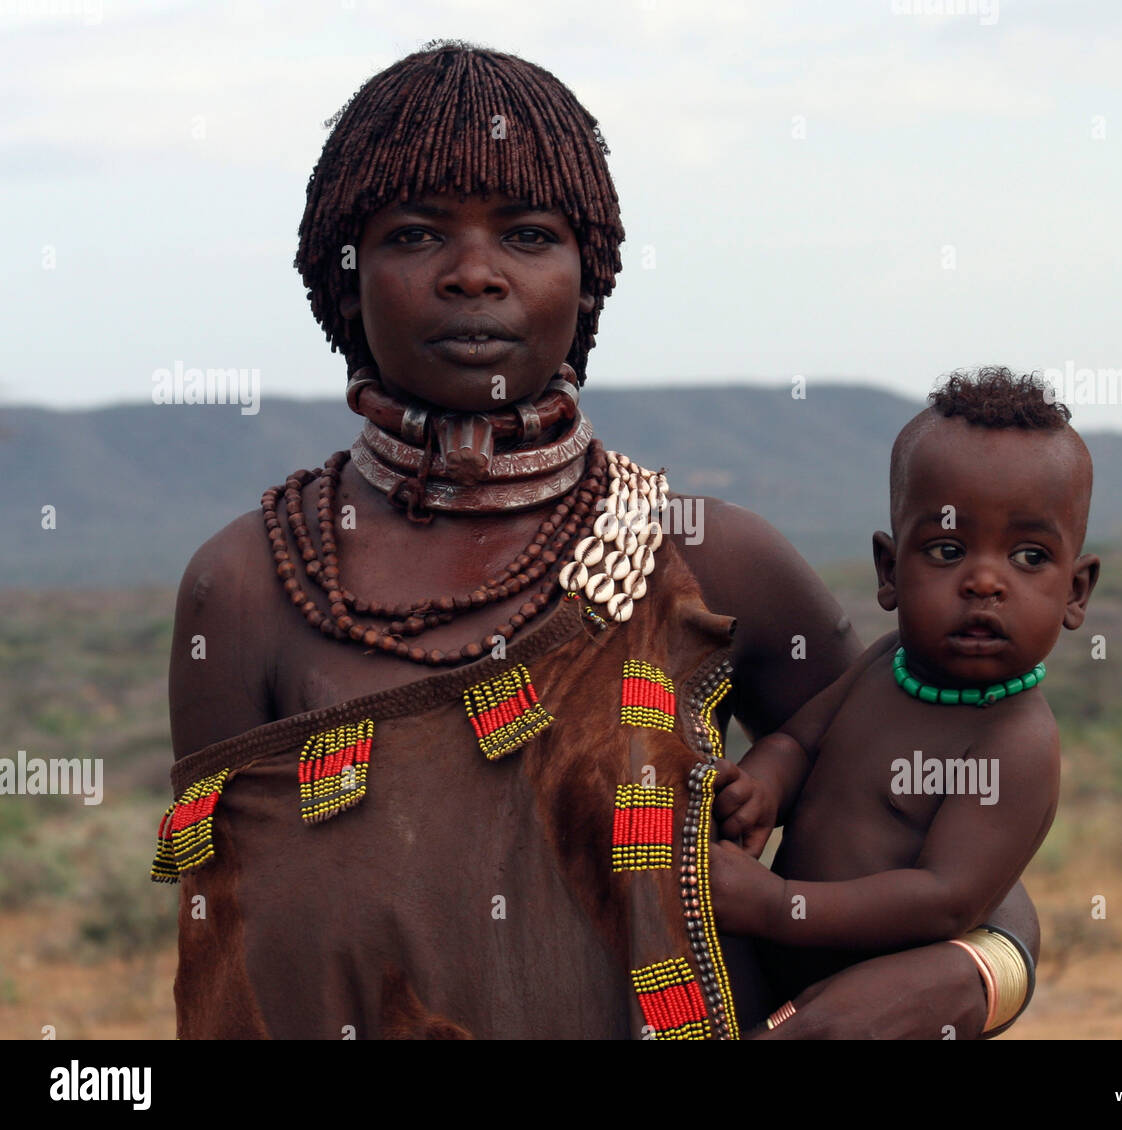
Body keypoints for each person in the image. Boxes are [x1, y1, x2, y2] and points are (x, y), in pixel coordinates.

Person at [156, 40, 1040, 1039]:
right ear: (342, 276)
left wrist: (977, 970)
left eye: (528, 234)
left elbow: (945, 848)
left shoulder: (713, 559)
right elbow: (229, 958)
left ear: (589, 276)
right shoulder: (247, 589)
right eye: (414, 235)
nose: (474, 275)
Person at [708, 369, 1100, 1030]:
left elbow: (944, 900)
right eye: (947, 549)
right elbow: (799, 741)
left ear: (1076, 592)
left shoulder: (1015, 741)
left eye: (1030, 557)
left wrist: (776, 905)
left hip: (882, 1015)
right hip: (771, 975)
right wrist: (764, 790)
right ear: (890, 571)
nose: (984, 581)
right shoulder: (885, 662)